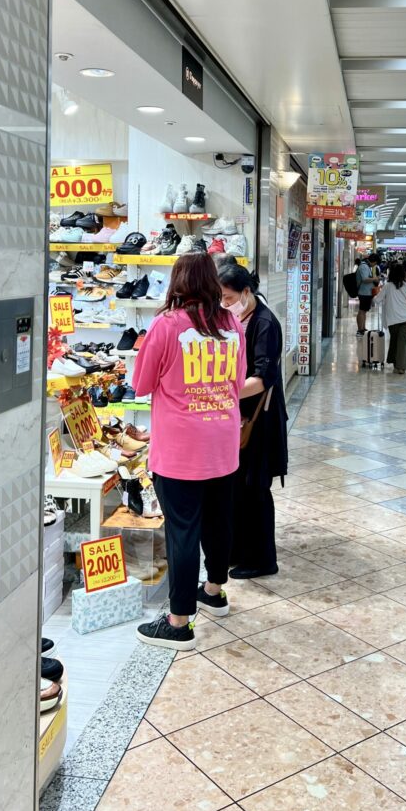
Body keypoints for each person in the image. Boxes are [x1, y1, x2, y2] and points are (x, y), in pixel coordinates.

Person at [133, 251, 247, 650]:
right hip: (223, 441)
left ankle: (178, 622)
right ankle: (214, 591)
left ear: (178, 282)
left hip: (180, 448)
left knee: (182, 532)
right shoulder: (232, 324)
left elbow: (141, 384)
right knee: (218, 522)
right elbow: (237, 382)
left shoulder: (167, 325)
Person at [217, 261, 288, 579]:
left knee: (255, 488)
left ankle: (262, 559)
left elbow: (264, 377)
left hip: (260, 420)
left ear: (246, 292)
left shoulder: (265, 323)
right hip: (237, 417)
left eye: (229, 298)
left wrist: (224, 392)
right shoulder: (234, 318)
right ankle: (237, 550)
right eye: (220, 298)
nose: (224, 304)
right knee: (236, 488)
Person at [384, 262, 406, 375]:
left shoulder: (387, 286)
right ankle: (401, 367)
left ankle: (395, 364)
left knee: (394, 340)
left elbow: (377, 299)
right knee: (402, 342)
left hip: (392, 320)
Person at [355, 252, 380, 336]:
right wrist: (375, 279)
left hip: (367, 292)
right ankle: (360, 330)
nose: (374, 265)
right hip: (364, 292)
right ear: (373, 261)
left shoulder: (366, 266)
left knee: (364, 311)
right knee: (362, 311)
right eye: (375, 263)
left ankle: (363, 328)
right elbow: (365, 279)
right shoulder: (364, 266)